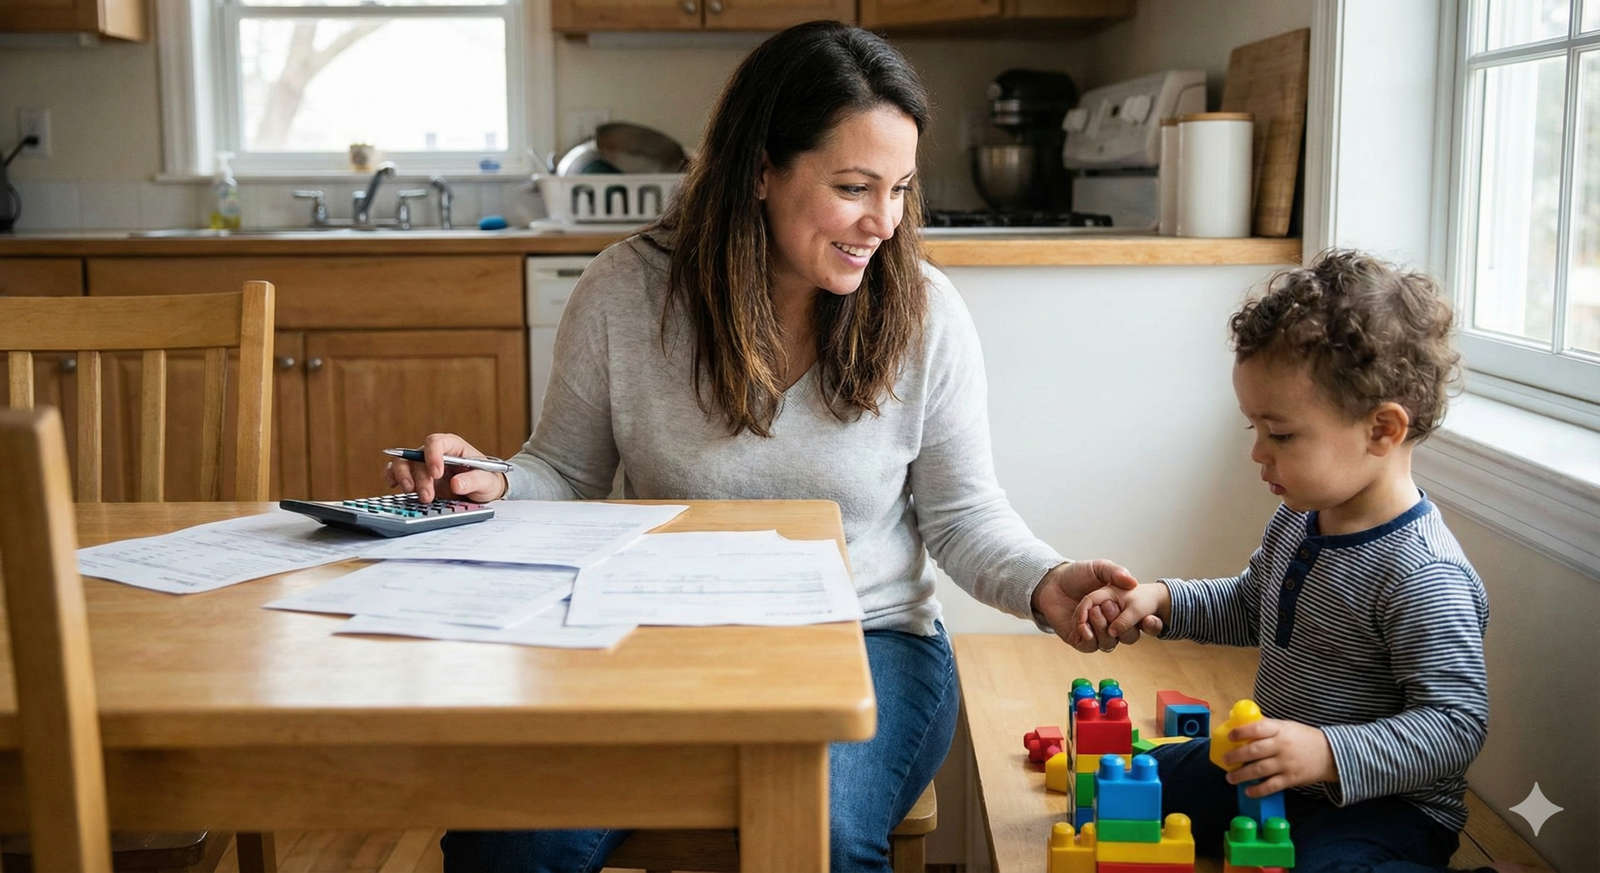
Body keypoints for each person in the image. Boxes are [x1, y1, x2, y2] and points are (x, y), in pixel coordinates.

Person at [385, 20, 1142, 873]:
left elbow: (963, 516)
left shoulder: (924, 312)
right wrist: (490, 481)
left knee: (821, 836)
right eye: (853, 187)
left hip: (869, 642)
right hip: (658, 638)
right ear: (759, 171)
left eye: (899, 188)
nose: (883, 222)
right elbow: (563, 470)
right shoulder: (626, 292)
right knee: (508, 839)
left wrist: (1045, 582)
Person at [1070, 250, 1491, 873]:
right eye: (1254, 430)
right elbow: (1251, 606)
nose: (1259, 454)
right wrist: (1161, 598)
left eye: (1282, 435)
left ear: (1382, 430)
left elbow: (1455, 725)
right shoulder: (1300, 517)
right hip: (1278, 774)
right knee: (1134, 785)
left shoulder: (1422, 574)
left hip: (1384, 807)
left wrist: (1325, 752)